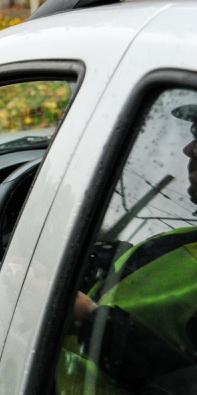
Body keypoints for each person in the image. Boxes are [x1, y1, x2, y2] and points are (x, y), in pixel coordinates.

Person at [57, 102, 197, 394]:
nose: (189, 149)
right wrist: (98, 259)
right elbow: (143, 278)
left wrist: (88, 320)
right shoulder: (186, 236)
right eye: (195, 132)